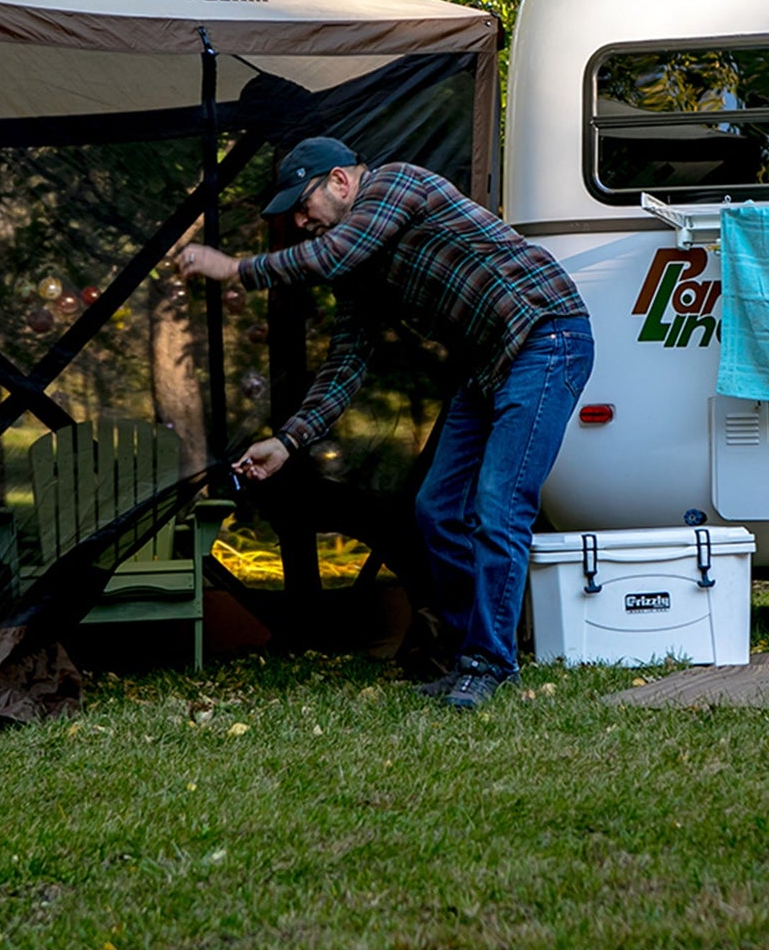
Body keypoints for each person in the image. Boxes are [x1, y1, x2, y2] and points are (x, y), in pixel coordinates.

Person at [178, 136, 593, 708]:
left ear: (342, 182)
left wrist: (237, 269)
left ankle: (490, 663)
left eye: (305, 205)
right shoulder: (360, 270)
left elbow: (332, 254)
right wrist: (287, 441)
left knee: (499, 504)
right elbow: (345, 365)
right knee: (436, 510)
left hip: (547, 335)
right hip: (488, 362)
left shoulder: (397, 183)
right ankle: (462, 650)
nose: (301, 222)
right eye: (295, 215)